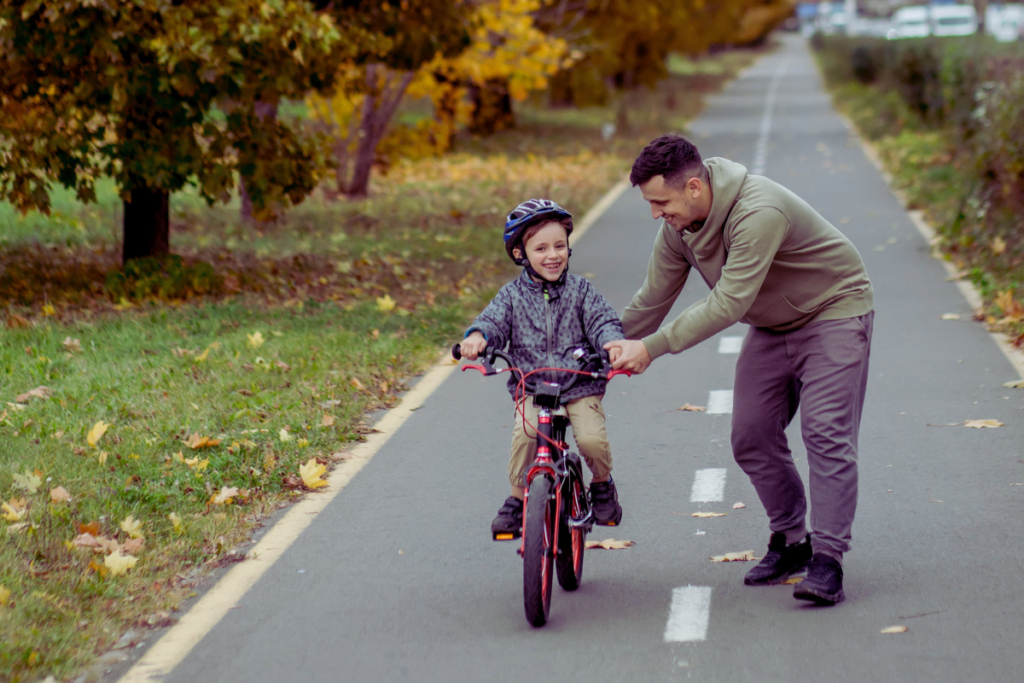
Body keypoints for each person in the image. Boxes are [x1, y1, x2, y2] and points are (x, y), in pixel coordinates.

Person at [605, 134, 874, 606]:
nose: (655, 214)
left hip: (833, 311)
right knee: (751, 435)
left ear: (693, 187)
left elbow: (729, 302)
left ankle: (828, 559)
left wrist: (652, 348)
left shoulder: (759, 211)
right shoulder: (678, 228)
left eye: (659, 202)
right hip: (773, 325)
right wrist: (595, 346)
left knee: (825, 432)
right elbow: (651, 300)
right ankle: (793, 541)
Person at [461, 199, 626, 539]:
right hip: (533, 386)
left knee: (592, 439)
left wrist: (611, 344)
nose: (553, 255)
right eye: (541, 248)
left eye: (559, 246)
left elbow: (603, 321)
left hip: (580, 383)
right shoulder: (511, 296)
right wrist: (478, 337)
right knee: (525, 436)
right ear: (520, 254)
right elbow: (492, 322)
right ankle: (518, 498)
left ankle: (601, 484)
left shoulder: (581, 291)